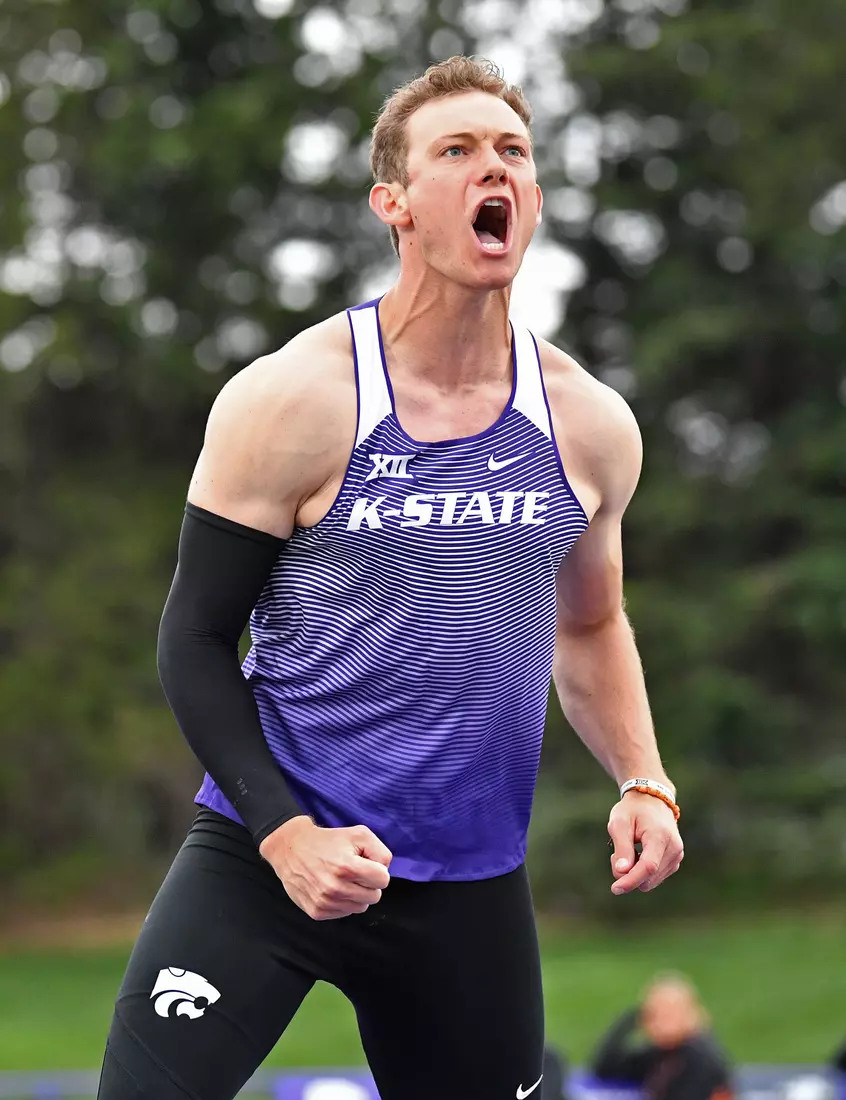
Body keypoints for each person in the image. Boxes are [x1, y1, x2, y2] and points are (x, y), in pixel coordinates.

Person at [96, 55, 684, 1100]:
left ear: (532, 199)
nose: (488, 169)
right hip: (268, 851)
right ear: (395, 203)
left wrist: (644, 777)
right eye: (454, 151)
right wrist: (286, 832)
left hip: (466, 883)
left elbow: (589, 627)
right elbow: (192, 640)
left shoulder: (589, 425)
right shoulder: (293, 401)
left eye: (511, 152)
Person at [591, 973, 733, 1100]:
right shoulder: (660, 1055)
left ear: (691, 1013)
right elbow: (606, 1069)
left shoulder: (702, 1057)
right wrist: (630, 1019)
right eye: (653, 1015)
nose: (659, 1022)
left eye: (669, 1013)